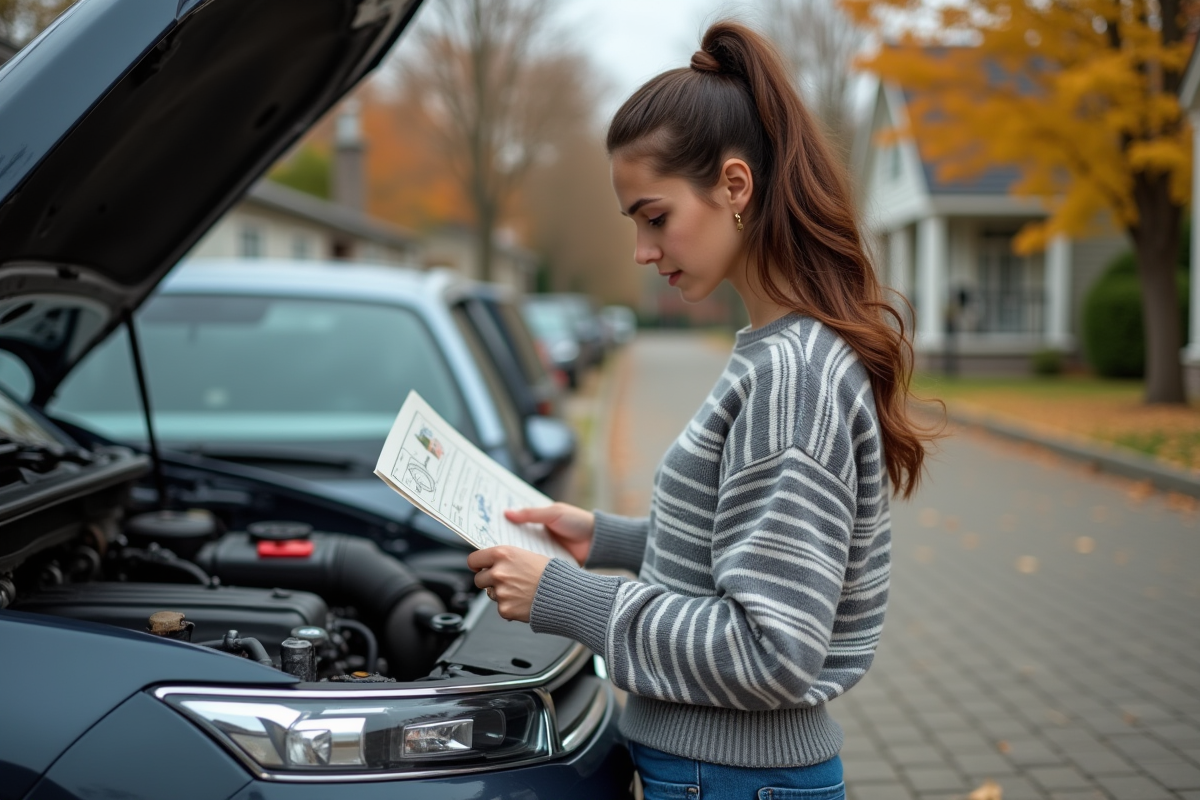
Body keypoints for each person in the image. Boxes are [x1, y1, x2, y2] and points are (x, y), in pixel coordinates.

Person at [468, 20, 935, 800]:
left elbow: (770, 648)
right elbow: (748, 549)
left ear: (735, 186)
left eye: (655, 217)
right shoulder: (776, 352)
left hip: (732, 779)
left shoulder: (793, 378)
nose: (644, 252)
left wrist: (564, 598)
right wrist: (607, 540)